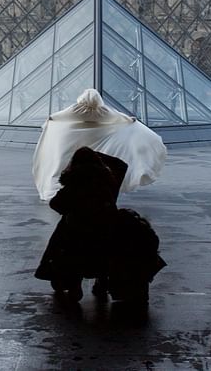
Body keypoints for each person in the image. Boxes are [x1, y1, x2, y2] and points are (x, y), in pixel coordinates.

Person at [35, 146, 166, 304]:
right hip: (107, 231)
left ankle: (73, 283)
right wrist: (95, 155)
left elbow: (56, 205)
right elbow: (120, 164)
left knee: (64, 239)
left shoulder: (73, 182)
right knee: (104, 251)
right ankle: (102, 282)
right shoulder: (109, 181)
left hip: (77, 234)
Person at [32, 89, 167, 202]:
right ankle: (91, 184)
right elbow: (117, 117)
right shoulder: (102, 111)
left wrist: (51, 119)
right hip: (98, 136)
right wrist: (130, 120)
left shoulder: (76, 109)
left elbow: (60, 116)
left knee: (62, 161)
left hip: (73, 136)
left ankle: (61, 185)